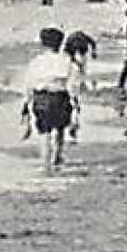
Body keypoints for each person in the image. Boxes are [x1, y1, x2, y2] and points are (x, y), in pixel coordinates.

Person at [20, 27, 78, 173]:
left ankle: (46, 161)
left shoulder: (37, 62)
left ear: (42, 43)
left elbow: (29, 84)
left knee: (44, 131)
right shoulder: (66, 61)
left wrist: (26, 103)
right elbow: (72, 85)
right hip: (60, 97)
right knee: (60, 130)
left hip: (41, 98)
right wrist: (76, 103)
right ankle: (57, 157)